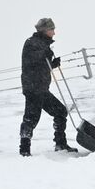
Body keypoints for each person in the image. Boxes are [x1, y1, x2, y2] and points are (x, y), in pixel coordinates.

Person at [18, 17, 75, 156]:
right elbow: (31, 61)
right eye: (52, 29)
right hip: (33, 89)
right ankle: (24, 149)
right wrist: (45, 55)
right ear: (45, 30)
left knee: (61, 111)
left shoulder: (43, 43)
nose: (54, 33)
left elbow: (41, 65)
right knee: (31, 118)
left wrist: (53, 63)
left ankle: (60, 143)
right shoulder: (31, 43)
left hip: (42, 89)